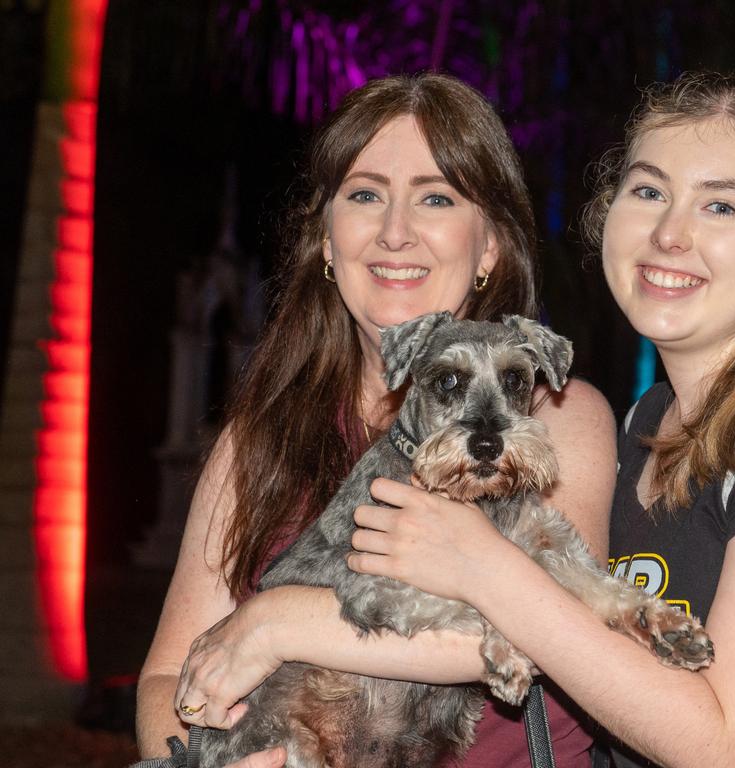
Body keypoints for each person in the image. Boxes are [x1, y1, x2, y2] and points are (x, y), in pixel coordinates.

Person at [344, 72, 735, 766]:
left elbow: (726, 748)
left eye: (721, 207)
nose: (670, 233)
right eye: (648, 191)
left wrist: (485, 569)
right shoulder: (647, 424)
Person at [137, 73, 616, 768]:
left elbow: (554, 625)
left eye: (435, 198)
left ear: (488, 248)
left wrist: (276, 621)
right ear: (327, 243)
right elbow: (164, 679)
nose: (395, 233)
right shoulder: (259, 437)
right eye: (365, 195)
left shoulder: (554, 416)